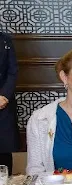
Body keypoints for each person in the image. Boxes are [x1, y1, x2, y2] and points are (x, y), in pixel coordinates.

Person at [0, 32, 18, 174]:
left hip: (2, 103)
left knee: (4, 149)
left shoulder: (5, 39)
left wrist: (4, 95)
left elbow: (13, 71)